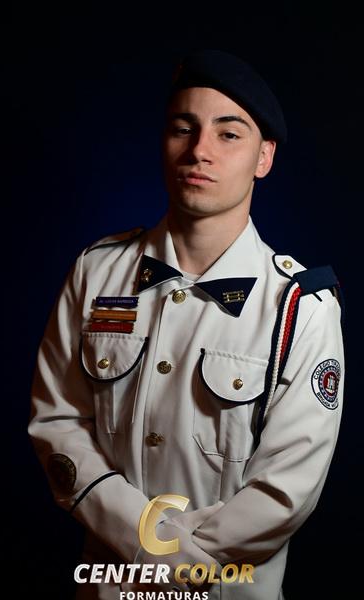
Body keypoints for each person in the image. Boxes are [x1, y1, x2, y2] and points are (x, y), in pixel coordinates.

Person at [29, 49, 344, 599]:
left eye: (228, 134)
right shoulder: (96, 272)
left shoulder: (302, 307)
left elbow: (286, 490)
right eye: (183, 128)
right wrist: (138, 539)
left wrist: (164, 557)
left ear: (263, 157)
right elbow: (58, 423)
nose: (199, 150)